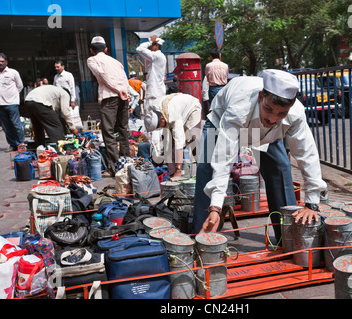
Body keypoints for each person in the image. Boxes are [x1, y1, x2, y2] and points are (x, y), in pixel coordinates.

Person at [192, 69, 327, 239]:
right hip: (220, 123)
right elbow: (223, 158)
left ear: (290, 107)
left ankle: (287, 236)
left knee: (280, 168)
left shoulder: (295, 115)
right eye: (268, 109)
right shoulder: (239, 107)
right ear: (260, 97)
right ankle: (204, 237)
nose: (272, 118)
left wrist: (312, 203)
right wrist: (216, 207)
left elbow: (307, 155)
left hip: (263, 135)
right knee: (207, 170)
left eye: (281, 113)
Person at [87, 35, 131, 177]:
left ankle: (114, 167)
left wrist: (117, 90)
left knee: (108, 132)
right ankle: (126, 162)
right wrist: (125, 93)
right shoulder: (116, 62)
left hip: (110, 97)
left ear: (91, 50)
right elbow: (125, 78)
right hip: (123, 96)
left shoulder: (92, 60)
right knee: (124, 129)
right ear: (106, 49)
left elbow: (102, 76)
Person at [144, 93, 202, 177]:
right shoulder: (152, 110)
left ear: (162, 118)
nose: (161, 128)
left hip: (192, 108)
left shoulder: (173, 115)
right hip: (176, 108)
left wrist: (179, 169)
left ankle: (201, 168)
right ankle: (171, 173)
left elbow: (179, 144)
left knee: (193, 138)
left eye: (161, 126)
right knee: (167, 141)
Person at [0, 53, 25, 152]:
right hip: (0, 104)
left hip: (12, 103)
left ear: (6, 62)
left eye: (2, 61)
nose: (0, 63)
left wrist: (12, 96)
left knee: (16, 124)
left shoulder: (13, 72)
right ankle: (12, 145)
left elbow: (20, 86)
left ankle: (21, 144)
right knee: (6, 126)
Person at [136, 35, 167, 114]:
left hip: (154, 95)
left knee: (151, 119)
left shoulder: (156, 56)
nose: (149, 47)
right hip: (157, 93)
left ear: (156, 46)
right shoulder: (159, 56)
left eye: (151, 46)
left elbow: (139, 49)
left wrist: (150, 42)